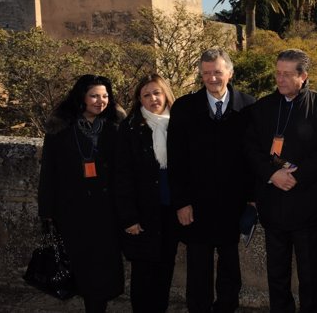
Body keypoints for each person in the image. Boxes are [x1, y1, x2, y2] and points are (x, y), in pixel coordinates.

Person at [246, 49, 317, 313]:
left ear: (304, 76)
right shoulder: (262, 107)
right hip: (273, 202)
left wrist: (296, 176)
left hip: (307, 203)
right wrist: (273, 174)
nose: (280, 79)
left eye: (287, 74)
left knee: (310, 275)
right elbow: (251, 148)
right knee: (276, 273)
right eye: (278, 73)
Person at [167, 49, 255, 313]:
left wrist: (252, 200)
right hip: (196, 205)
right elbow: (176, 159)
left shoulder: (249, 106)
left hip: (233, 204)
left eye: (217, 72)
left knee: (230, 266)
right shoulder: (184, 107)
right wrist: (181, 202)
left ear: (230, 72)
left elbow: (254, 158)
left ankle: (227, 308)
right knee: (198, 268)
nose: (212, 78)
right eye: (206, 73)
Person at [37, 74, 125, 312]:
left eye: (105, 96)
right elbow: (49, 171)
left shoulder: (116, 126)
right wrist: (46, 211)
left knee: (103, 267)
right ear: (82, 97)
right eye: (94, 96)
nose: (100, 101)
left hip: (107, 210)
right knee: (82, 266)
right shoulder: (61, 128)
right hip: (73, 211)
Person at [115, 74, 178, 312]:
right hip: (143, 211)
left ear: (166, 94)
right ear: (139, 99)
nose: (153, 99)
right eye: (147, 95)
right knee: (143, 272)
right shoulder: (130, 128)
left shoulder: (178, 124)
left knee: (165, 270)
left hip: (171, 210)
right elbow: (122, 176)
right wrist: (129, 217)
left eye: (157, 93)